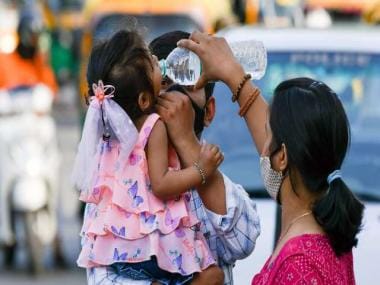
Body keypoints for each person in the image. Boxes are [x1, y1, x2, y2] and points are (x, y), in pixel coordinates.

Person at [178, 31, 364, 284]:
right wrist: (233, 74)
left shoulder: (299, 264)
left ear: (282, 157)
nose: (261, 148)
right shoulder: (327, 232)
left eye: (267, 133)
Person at [84, 31, 261, 285]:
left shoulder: (208, 169)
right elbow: (101, 274)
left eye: (188, 85)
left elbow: (243, 240)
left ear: (208, 111)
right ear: (144, 96)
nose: (174, 98)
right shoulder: (116, 180)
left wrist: (186, 141)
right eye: (164, 83)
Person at [0, 9, 58, 94]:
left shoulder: (40, 63)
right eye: (33, 35)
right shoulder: (4, 61)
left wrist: (43, 62)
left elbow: (51, 91)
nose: (36, 40)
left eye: (38, 36)